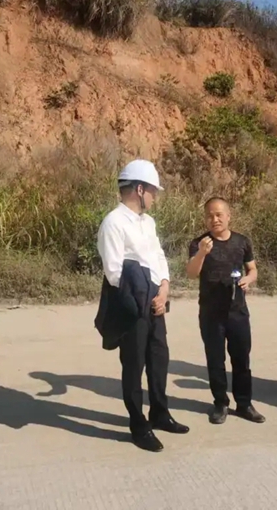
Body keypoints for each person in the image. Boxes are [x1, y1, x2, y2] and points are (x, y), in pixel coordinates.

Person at [95, 159, 189, 453]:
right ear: (139, 189)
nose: (155, 197)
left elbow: (158, 256)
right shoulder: (113, 223)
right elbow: (114, 272)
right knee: (134, 364)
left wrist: (164, 288)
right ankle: (138, 424)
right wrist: (143, 297)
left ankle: (160, 413)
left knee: (159, 359)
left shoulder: (148, 223)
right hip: (131, 302)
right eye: (152, 191)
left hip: (155, 299)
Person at [186, 197, 266, 425]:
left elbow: (252, 269)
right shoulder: (199, 243)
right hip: (211, 312)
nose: (215, 219)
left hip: (237, 311)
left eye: (219, 214)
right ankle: (220, 403)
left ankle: (244, 404)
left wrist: (248, 279)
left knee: (241, 359)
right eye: (210, 216)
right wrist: (202, 253)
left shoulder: (242, 241)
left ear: (229, 216)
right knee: (215, 360)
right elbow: (191, 273)